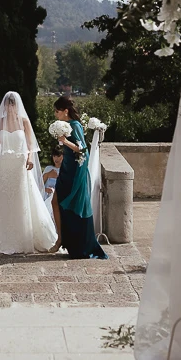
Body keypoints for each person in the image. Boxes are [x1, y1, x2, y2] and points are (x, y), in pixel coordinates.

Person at [0, 92, 58, 254]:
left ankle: (23, 237)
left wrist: (29, 159)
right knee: (1, 201)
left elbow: (30, 145)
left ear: (17, 105)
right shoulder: (0, 122)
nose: (9, 107)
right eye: (7, 104)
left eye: (12, 104)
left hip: (19, 165)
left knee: (21, 200)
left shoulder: (24, 121)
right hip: (4, 165)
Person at [53, 95, 108, 260]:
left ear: (65, 111)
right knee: (55, 201)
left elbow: (82, 149)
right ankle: (61, 239)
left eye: (57, 111)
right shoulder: (66, 125)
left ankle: (73, 243)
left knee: (68, 202)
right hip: (66, 167)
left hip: (75, 171)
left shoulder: (75, 125)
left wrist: (64, 141)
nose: (55, 114)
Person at [42, 144, 62, 249]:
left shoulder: (65, 170)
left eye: (58, 156)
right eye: (54, 156)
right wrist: (48, 175)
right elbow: (39, 184)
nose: (56, 159)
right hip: (47, 195)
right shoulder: (49, 169)